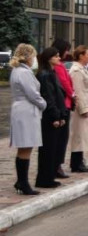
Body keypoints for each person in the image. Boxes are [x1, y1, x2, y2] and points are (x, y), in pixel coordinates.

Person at [9, 44, 47, 195]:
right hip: (26, 109)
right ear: (28, 56)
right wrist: (43, 104)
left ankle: (21, 181)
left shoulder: (18, 70)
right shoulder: (23, 72)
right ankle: (23, 182)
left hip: (23, 109)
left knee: (25, 146)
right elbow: (32, 93)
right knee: (26, 145)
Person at [35, 47, 68, 188]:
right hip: (48, 116)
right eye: (56, 56)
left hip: (56, 114)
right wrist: (55, 115)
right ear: (49, 58)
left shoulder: (51, 73)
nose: (59, 58)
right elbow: (49, 97)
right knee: (48, 149)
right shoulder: (44, 75)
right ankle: (44, 179)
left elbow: (58, 95)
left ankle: (49, 176)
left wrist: (61, 114)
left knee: (53, 148)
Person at [51, 38, 75, 179]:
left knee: (62, 137)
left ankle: (57, 164)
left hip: (64, 103)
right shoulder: (58, 66)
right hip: (63, 104)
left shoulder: (58, 65)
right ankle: (57, 165)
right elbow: (65, 83)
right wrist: (73, 95)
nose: (67, 52)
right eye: (66, 49)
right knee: (61, 138)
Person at [69, 46, 88, 172]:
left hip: (86, 104)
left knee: (83, 134)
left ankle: (79, 161)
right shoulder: (76, 71)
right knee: (79, 135)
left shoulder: (83, 69)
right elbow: (78, 91)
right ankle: (76, 163)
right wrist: (83, 108)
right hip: (80, 107)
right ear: (81, 56)